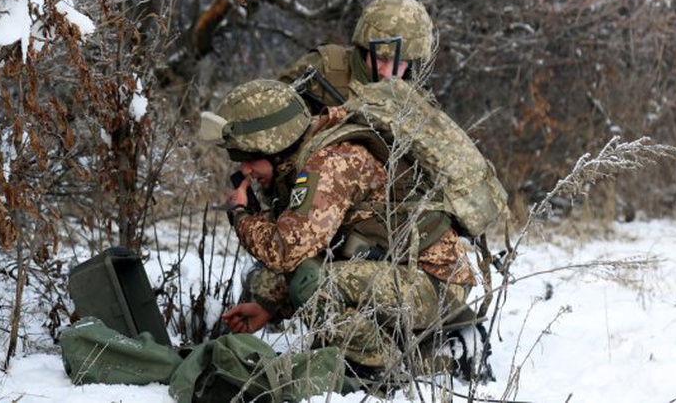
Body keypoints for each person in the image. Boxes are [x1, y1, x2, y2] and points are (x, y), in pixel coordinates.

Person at [200, 79, 494, 384]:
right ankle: (420, 347)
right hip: (401, 272)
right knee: (284, 278)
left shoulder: (331, 163)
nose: (244, 170)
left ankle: (383, 366)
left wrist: (241, 215)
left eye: (248, 158)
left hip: (434, 283)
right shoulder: (309, 155)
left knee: (310, 283)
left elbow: (285, 252)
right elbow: (309, 251)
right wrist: (268, 306)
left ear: (274, 145)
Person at [279, 0, 435, 113]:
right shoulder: (325, 68)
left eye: (398, 63)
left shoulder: (416, 102)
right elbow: (271, 115)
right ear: (364, 48)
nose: (387, 72)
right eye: (380, 58)